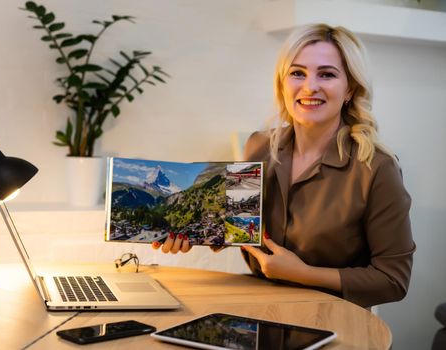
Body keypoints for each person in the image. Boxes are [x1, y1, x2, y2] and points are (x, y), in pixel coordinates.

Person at [152, 23, 415, 308]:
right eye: (297, 73)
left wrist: (305, 274)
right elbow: (241, 229)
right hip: (261, 309)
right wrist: (194, 233)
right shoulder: (258, 147)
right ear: (282, 83)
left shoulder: (376, 168)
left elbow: (393, 280)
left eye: (326, 74)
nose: (309, 86)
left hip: (334, 318)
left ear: (350, 88)